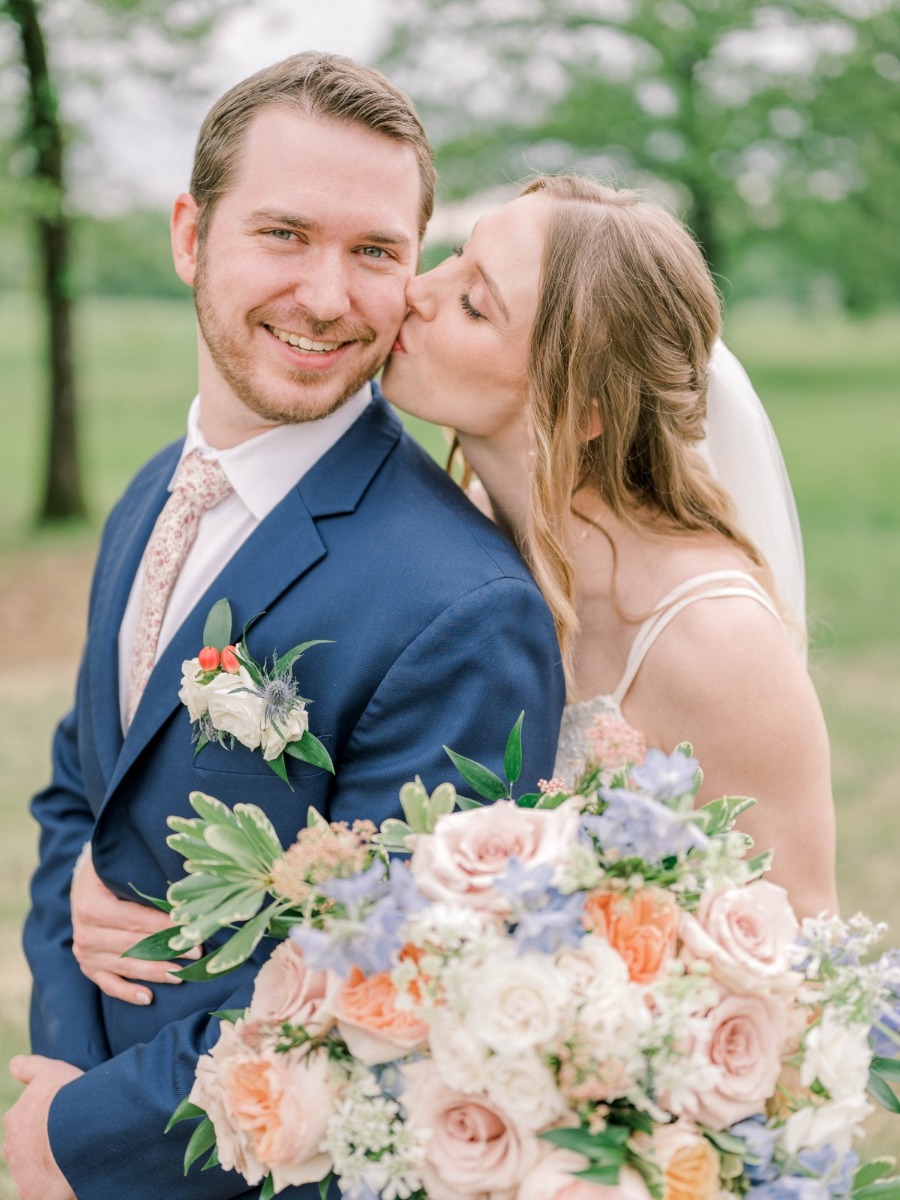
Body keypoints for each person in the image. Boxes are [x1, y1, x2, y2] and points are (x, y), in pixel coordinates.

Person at [3, 54, 565, 1200]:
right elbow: (80, 794)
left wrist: (82, 1137)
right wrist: (60, 1051)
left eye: (373, 252)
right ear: (188, 237)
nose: (325, 296)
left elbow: (391, 1007)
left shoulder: (463, 608)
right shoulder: (156, 491)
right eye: (284, 234)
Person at [380, 174, 838, 919]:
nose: (418, 290)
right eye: (456, 258)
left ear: (582, 408)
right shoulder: (449, 530)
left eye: (473, 304)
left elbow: (802, 952)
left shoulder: (714, 641)